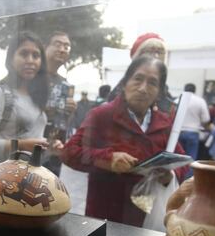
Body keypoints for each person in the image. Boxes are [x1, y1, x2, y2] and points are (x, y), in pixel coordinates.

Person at [62, 56, 188, 227]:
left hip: (145, 217)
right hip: (105, 215)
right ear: (125, 83)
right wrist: (108, 159)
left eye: (152, 83)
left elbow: (180, 161)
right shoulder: (102, 115)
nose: (143, 89)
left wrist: (169, 175)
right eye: (138, 79)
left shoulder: (164, 124)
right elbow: (70, 152)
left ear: (159, 92)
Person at [0, 31, 56, 169]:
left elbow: (34, 140)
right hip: (0, 181)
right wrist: (21, 145)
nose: (30, 60)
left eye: (36, 55)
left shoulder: (38, 97)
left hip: (30, 179)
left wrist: (50, 146)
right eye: (23, 54)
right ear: (11, 59)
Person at [107, 33, 174, 115]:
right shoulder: (119, 93)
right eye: (148, 51)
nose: (154, 56)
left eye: (159, 52)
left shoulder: (165, 95)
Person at [43, 31, 76, 176]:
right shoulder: (31, 77)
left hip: (55, 151)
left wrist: (71, 111)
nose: (62, 49)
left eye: (66, 47)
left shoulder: (66, 84)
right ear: (44, 47)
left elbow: (65, 122)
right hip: (31, 148)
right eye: (57, 44)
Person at [178, 83, 210, 169]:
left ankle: (178, 179)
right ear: (194, 90)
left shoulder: (178, 100)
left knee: (177, 159)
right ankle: (189, 180)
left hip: (178, 132)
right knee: (191, 160)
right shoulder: (200, 101)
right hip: (193, 132)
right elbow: (206, 119)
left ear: (184, 89)